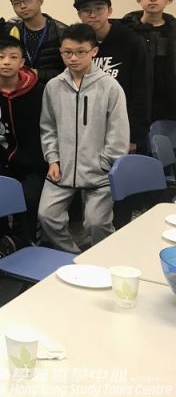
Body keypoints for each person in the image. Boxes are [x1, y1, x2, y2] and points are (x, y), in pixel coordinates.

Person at [38, 24, 129, 253]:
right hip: (62, 169)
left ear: (93, 51)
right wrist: (53, 159)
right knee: (47, 216)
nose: (73, 58)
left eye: (80, 52)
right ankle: (74, 256)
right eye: (67, 52)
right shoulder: (53, 86)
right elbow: (48, 127)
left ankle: (103, 257)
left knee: (97, 223)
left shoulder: (110, 87)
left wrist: (105, 163)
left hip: (99, 171)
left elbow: (119, 132)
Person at [0, 37, 46, 243]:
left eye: (13, 57)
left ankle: (29, 241)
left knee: (28, 199)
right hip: (0, 164)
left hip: (34, 164)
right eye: (1, 57)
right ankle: (4, 241)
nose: (7, 62)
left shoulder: (38, 91)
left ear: (22, 62)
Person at [74, 0, 150, 152]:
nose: (93, 15)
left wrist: (133, 136)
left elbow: (142, 91)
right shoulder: (77, 44)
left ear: (109, 10)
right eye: (86, 10)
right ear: (79, 15)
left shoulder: (131, 41)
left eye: (99, 8)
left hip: (123, 129)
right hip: (88, 131)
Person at [121, 0, 176, 123]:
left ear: (169, 0)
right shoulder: (125, 30)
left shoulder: (173, 31)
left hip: (168, 106)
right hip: (132, 102)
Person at [5, 0, 66, 84]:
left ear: (40, 1)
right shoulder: (11, 30)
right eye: (16, 3)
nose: (22, 6)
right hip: (21, 90)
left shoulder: (62, 32)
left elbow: (71, 72)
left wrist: (36, 74)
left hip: (54, 90)